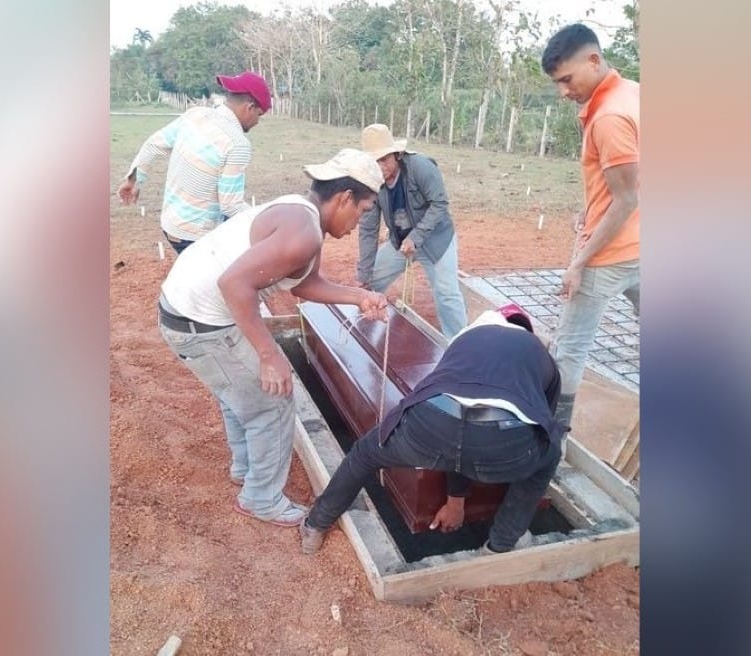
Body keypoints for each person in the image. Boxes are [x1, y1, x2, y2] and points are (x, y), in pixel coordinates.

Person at [158, 148, 388, 528]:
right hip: (199, 323)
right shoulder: (304, 232)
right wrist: (269, 354)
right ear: (345, 198)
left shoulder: (301, 212)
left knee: (238, 391)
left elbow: (304, 283)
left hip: (190, 311)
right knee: (275, 401)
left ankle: (246, 467)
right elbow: (234, 284)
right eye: (363, 212)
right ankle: (261, 498)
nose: (358, 224)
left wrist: (359, 296)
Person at [300, 304, 564, 555]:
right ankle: (502, 544)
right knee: (548, 456)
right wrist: (458, 496)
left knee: (365, 455)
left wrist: (456, 498)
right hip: (503, 445)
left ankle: (315, 525)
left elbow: (456, 412)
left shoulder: (466, 340)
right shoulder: (541, 356)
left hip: (432, 426)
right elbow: (544, 426)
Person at [541, 24, 640, 420]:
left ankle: (552, 444)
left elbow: (627, 197)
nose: (563, 91)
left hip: (609, 255)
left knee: (569, 349)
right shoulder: (634, 93)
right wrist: (592, 206)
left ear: (594, 60)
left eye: (567, 79)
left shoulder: (609, 117)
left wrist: (578, 263)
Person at [117, 71, 272, 253]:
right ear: (250, 107)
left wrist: (133, 180)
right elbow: (231, 206)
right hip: (196, 238)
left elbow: (153, 145)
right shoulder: (237, 143)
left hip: (170, 225)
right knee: (235, 269)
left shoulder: (195, 115)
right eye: (259, 115)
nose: (257, 122)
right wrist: (266, 217)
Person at [355, 123, 469, 339]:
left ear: (396, 155)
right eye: (374, 161)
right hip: (400, 242)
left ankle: (459, 345)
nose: (380, 167)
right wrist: (363, 273)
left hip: (436, 241)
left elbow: (440, 204)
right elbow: (369, 229)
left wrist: (416, 237)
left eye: (384, 159)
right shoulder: (372, 182)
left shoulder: (421, 167)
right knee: (370, 282)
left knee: (447, 294)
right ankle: (361, 331)